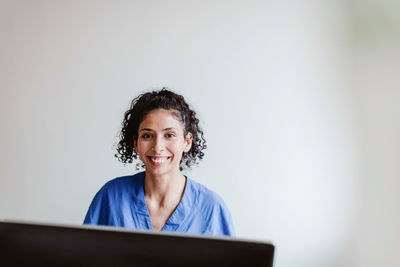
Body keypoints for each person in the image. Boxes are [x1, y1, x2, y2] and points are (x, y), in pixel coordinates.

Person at [83, 88, 235, 237]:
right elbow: (84, 257)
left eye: (169, 135)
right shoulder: (112, 197)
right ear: (135, 143)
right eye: (147, 135)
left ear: (187, 142)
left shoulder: (211, 208)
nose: (157, 147)